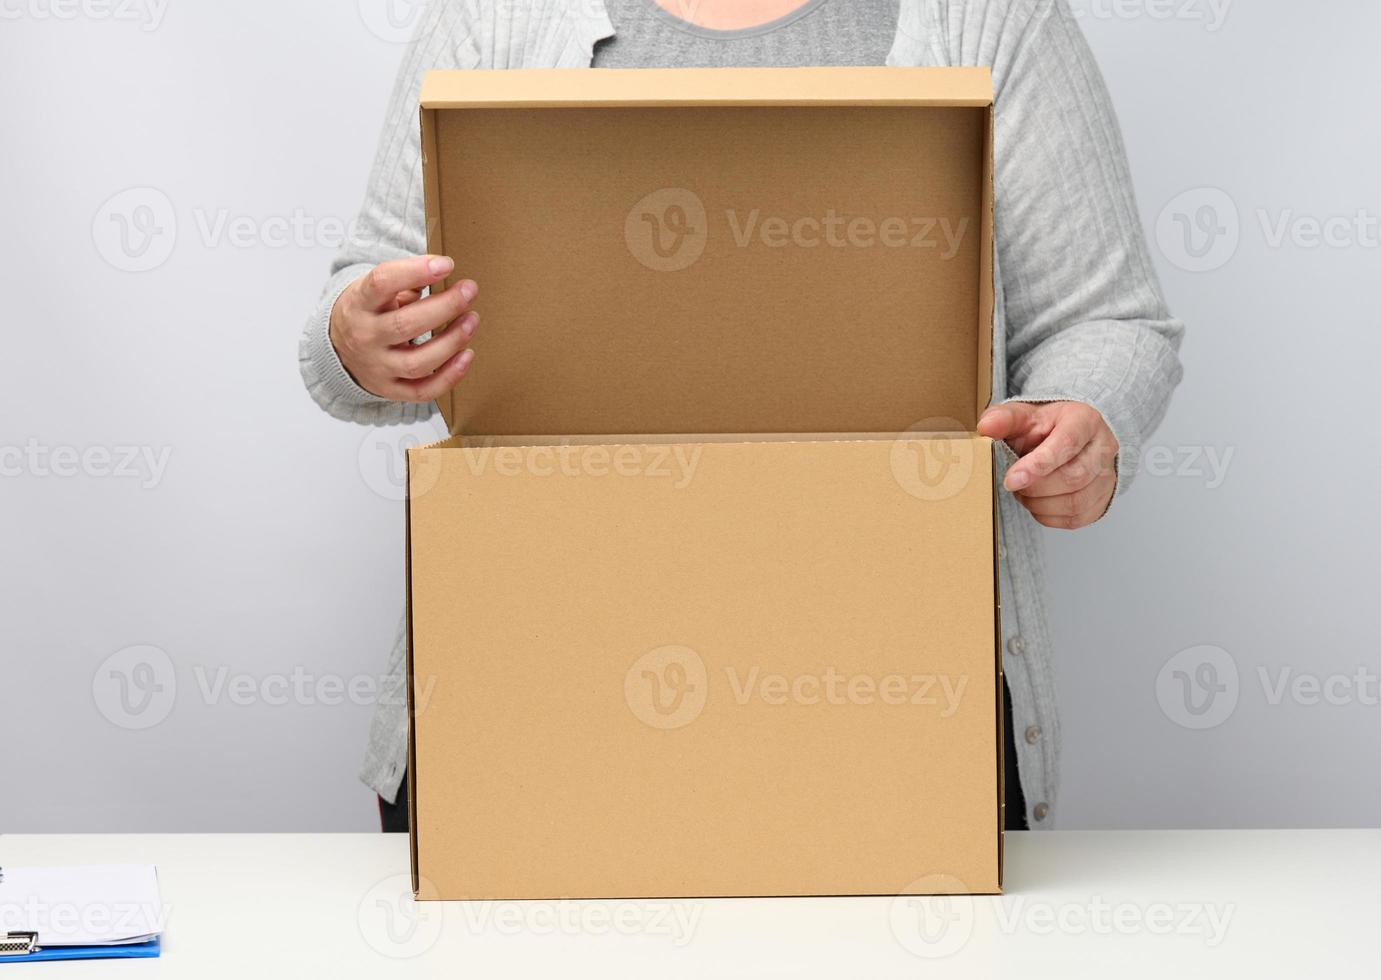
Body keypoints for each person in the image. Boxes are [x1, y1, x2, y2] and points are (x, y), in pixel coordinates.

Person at [301, 0, 1184, 834]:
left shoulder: (986, 18)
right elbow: (369, 289)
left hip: (892, 706)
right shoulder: (499, 14)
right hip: (530, 697)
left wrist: (1083, 418)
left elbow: (1102, 319)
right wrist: (358, 339)